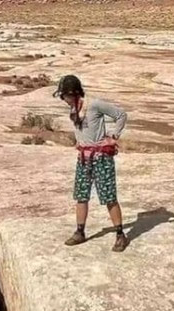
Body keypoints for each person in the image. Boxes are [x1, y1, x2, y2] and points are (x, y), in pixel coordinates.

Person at [54, 74, 129, 252]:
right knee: (81, 195)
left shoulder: (94, 105)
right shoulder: (74, 109)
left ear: (73, 93)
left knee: (109, 196)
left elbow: (121, 115)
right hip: (84, 158)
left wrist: (113, 137)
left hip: (101, 158)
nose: (63, 99)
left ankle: (120, 235)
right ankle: (80, 232)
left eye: (64, 95)